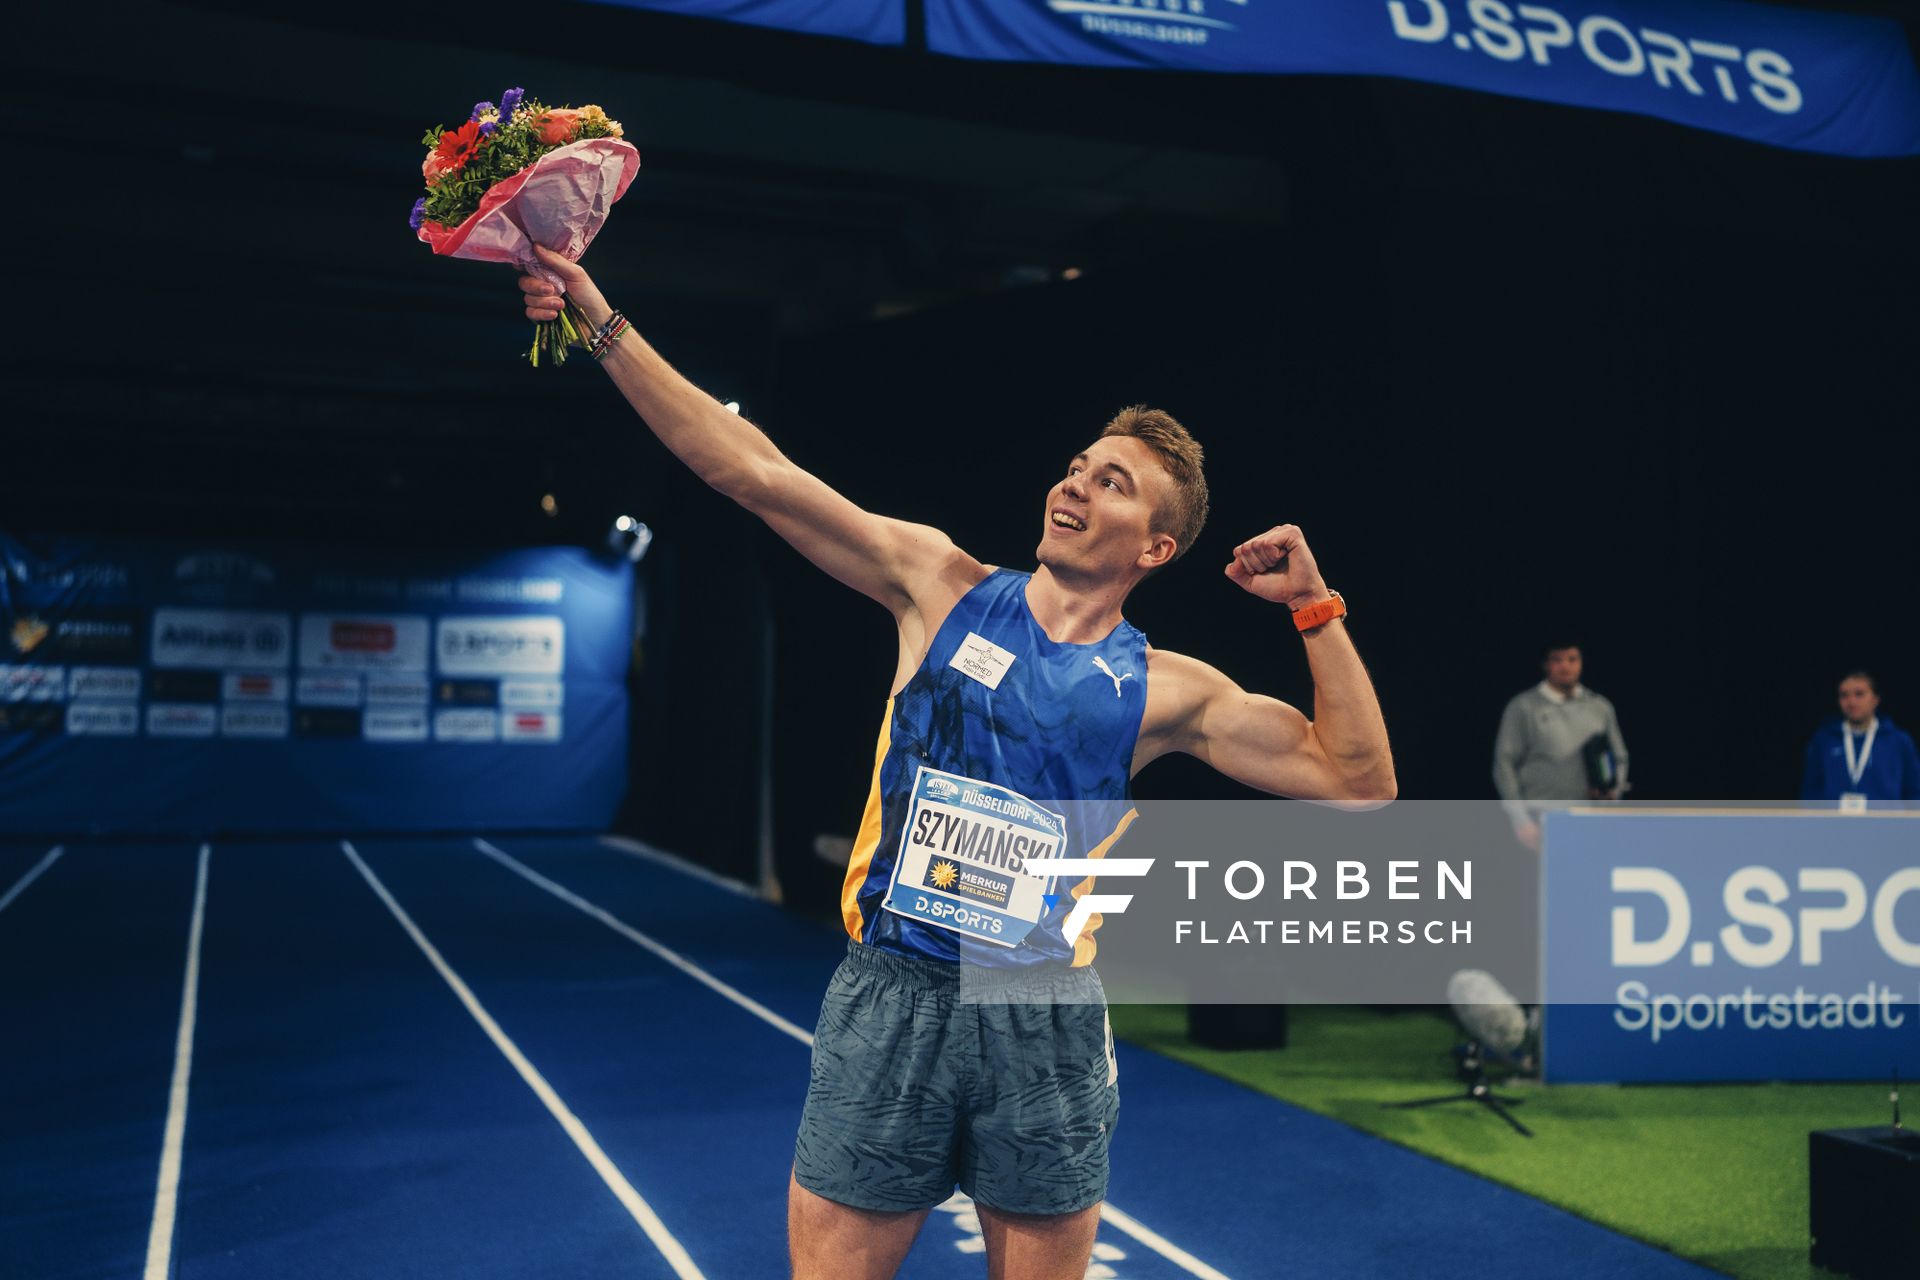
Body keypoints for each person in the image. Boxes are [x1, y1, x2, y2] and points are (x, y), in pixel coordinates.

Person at [516, 245, 1395, 1280]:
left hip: (1043, 1016)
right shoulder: (939, 585)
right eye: (1079, 465)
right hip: (895, 995)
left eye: (1112, 482)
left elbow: (1358, 782)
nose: (1076, 482)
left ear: (1156, 547)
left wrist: (1315, 607)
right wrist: (600, 319)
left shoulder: (1168, 689)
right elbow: (750, 470)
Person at [1492, 643, 1628, 851]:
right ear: (1546, 664)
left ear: (1581, 663)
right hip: (1540, 815)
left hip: (1588, 816)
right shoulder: (1523, 707)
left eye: (1572, 659)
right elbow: (1504, 763)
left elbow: (1619, 757)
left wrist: (1612, 792)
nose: (1566, 666)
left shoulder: (1599, 707)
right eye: (1558, 660)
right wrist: (1521, 819)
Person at [1801, 671, 1920, 805]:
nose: (1851, 702)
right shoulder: (1824, 739)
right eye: (1844, 695)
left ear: (1875, 699)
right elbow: (1811, 791)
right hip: (1834, 818)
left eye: (1859, 694)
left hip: (1885, 818)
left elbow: (1915, 790)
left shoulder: (1899, 740)